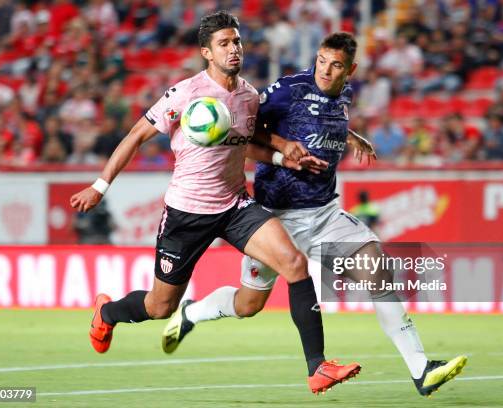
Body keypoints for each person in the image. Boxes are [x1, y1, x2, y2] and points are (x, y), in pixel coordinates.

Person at [163, 32, 468, 397]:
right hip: (275, 217)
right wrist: (282, 146)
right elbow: (247, 128)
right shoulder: (289, 88)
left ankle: (422, 370)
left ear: (349, 70)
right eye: (322, 60)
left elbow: (324, 120)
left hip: (324, 213)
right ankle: (191, 313)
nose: (325, 70)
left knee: (379, 271)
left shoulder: (343, 95)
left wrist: (351, 136)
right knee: (248, 305)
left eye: (336, 65)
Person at [70, 11, 360, 394]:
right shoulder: (185, 94)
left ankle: (317, 367)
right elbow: (137, 135)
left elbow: (247, 142)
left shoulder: (248, 96)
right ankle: (107, 312)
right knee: (160, 307)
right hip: (187, 214)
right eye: (224, 43)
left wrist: (280, 155)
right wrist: (99, 185)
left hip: (235, 205)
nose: (234, 49)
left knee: (293, 263)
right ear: (207, 52)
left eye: (237, 41)